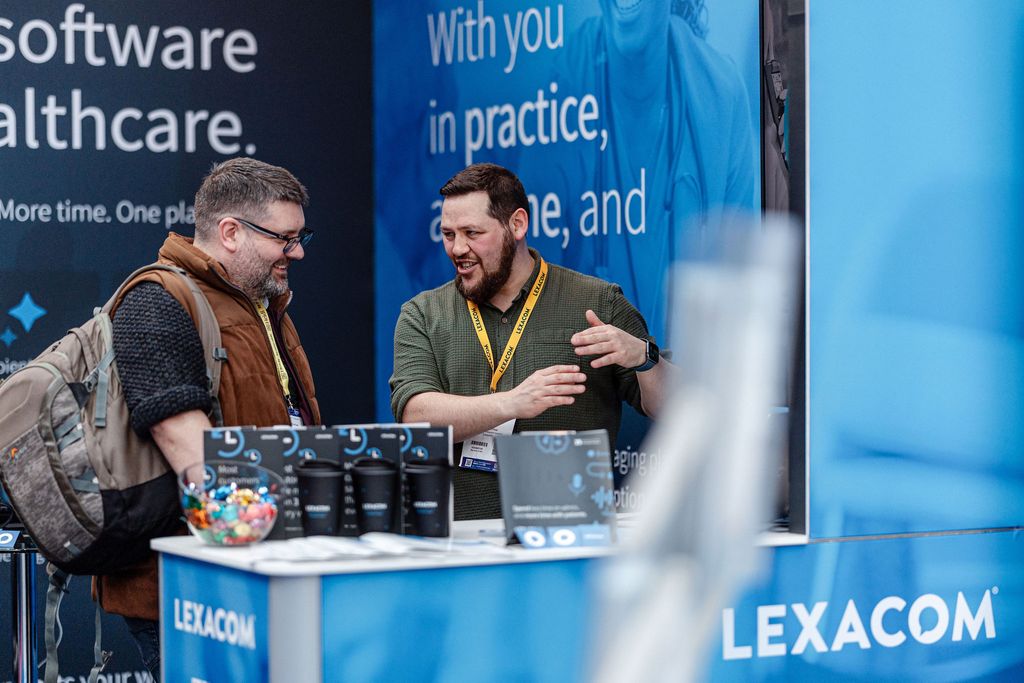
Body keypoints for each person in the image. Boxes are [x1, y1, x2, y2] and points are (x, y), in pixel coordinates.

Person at [98, 157, 321, 680]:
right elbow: (192, 453)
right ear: (231, 233)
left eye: (300, 237)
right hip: (194, 588)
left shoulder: (259, 303)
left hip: (259, 570)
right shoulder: (157, 301)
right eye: (285, 239)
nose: (298, 252)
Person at [390, 163, 670, 520]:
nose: (457, 248)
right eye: (448, 234)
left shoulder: (598, 302)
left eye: (472, 233)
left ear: (517, 224)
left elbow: (677, 408)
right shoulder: (423, 314)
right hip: (458, 540)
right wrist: (512, 403)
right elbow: (416, 416)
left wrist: (645, 358)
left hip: (569, 536)